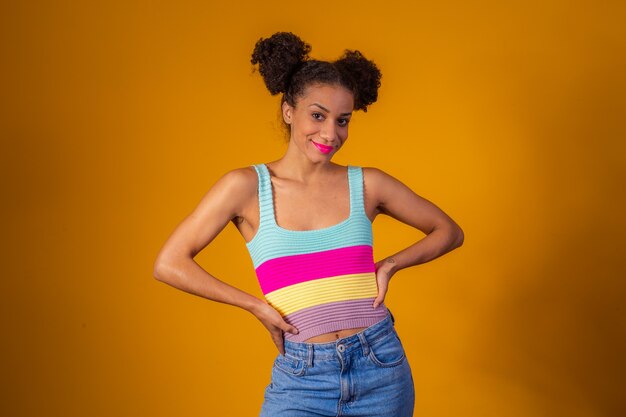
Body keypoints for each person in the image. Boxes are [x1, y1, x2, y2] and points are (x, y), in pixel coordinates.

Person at [153, 31, 464, 417]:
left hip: (380, 365)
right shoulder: (246, 188)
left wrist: (390, 265)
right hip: (302, 376)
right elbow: (169, 263)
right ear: (289, 111)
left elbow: (449, 231)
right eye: (317, 115)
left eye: (343, 120)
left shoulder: (367, 184)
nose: (330, 134)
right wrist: (254, 306)